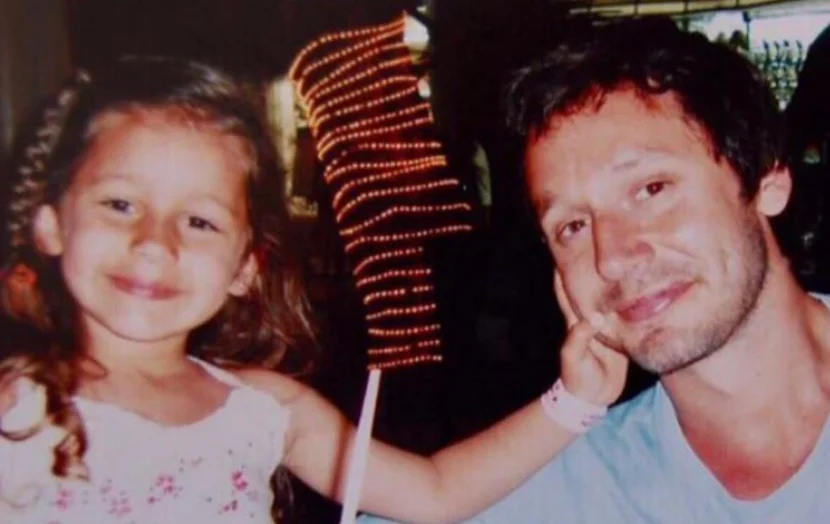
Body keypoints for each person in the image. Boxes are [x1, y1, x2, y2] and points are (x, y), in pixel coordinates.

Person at [0, 55, 626, 523]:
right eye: (120, 204)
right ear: (49, 223)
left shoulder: (264, 409)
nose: (155, 243)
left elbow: (435, 493)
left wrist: (575, 400)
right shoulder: (13, 405)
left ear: (245, 266)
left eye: (199, 221)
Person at [359, 14, 830, 524]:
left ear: (766, 178)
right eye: (573, 226)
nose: (613, 257)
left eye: (651, 190)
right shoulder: (569, 482)